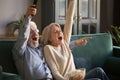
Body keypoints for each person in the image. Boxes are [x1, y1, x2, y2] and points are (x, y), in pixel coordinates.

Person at [12, 3, 89, 80]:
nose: (35, 33)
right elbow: (22, 37)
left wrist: (76, 43)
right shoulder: (20, 51)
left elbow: (60, 47)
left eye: (36, 31)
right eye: (31, 31)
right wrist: (27, 17)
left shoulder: (42, 48)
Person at [42, 0, 110, 80]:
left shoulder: (64, 43)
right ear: (49, 38)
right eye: (56, 32)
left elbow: (69, 20)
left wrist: (72, 2)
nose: (60, 33)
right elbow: (55, 73)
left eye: (60, 31)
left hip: (78, 77)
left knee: (99, 71)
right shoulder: (48, 49)